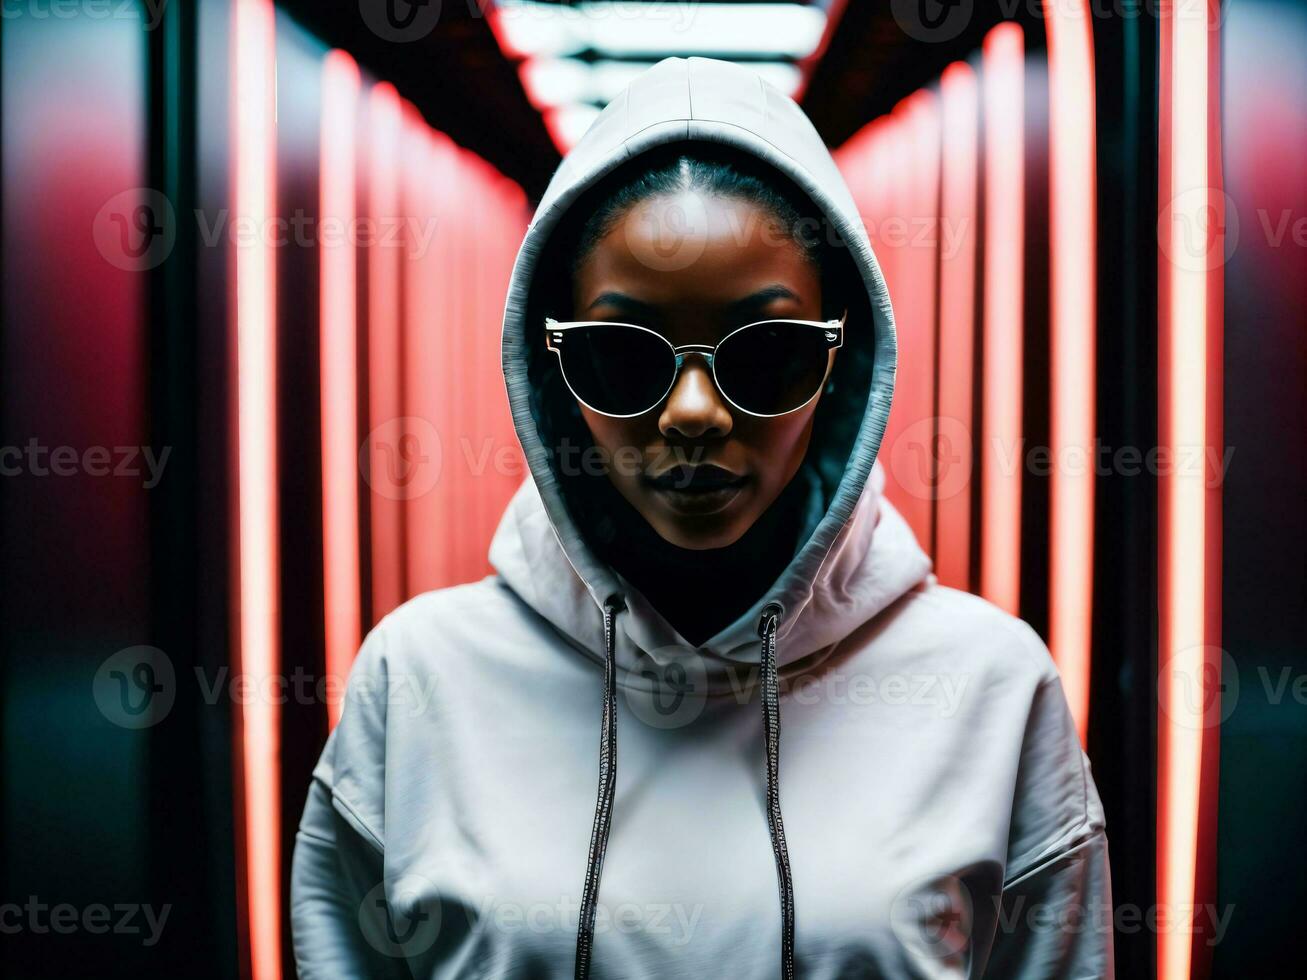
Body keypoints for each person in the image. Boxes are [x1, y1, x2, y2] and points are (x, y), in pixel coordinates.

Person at [290, 56, 1113, 979]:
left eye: (764, 356)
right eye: (622, 356)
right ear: (549, 367)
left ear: (842, 364)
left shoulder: (988, 687)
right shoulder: (419, 678)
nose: (690, 414)